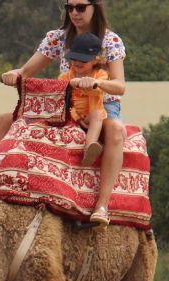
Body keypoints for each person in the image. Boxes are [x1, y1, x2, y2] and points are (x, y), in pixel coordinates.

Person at [0, 0, 127, 222]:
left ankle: (101, 207)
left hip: (101, 102)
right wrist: (11, 74)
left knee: (115, 130)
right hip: (65, 102)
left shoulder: (110, 41)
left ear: (96, 7)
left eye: (81, 7)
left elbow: (120, 85)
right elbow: (26, 71)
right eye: (70, 7)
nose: (74, 13)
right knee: (6, 120)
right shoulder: (58, 37)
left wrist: (95, 84)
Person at [58, 33, 116, 226]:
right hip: (74, 116)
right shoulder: (66, 76)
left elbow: (97, 93)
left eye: (83, 59)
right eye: (74, 58)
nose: (77, 62)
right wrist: (74, 116)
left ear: (95, 60)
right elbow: (63, 99)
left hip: (93, 115)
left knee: (97, 116)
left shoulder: (100, 75)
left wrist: (91, 84)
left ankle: (90, 146)